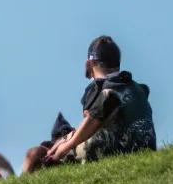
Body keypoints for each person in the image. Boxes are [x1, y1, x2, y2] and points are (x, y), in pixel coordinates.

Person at [40, 35, 156, 167]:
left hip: (122, 149)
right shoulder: (137, 87)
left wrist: (64, 147)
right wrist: (67, 138)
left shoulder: (104, 90)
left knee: (77, 146)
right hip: (148, 145)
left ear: (89, 64)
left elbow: (90, 122)